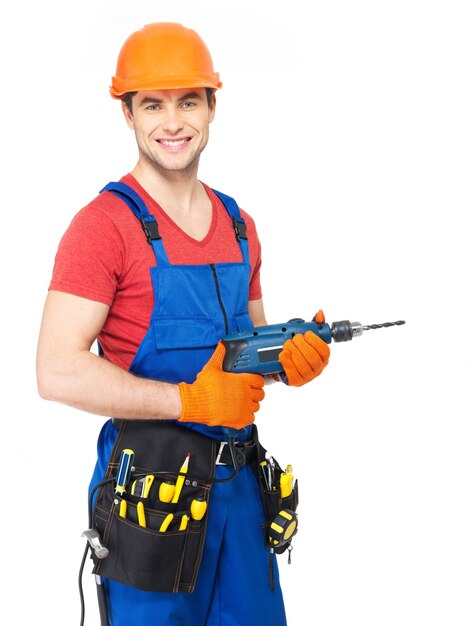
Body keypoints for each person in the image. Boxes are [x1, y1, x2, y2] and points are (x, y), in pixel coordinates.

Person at [36, 22, 330, 626]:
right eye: (153, 104)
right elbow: (56, 370)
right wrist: (188, 399)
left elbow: (247, 356)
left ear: (212, 106)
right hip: (153, 503)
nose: (172, 123)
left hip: (241, 491)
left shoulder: (238, 223)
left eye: (188, 101)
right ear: (128, 114)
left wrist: (289, 359)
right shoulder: (102, 228)